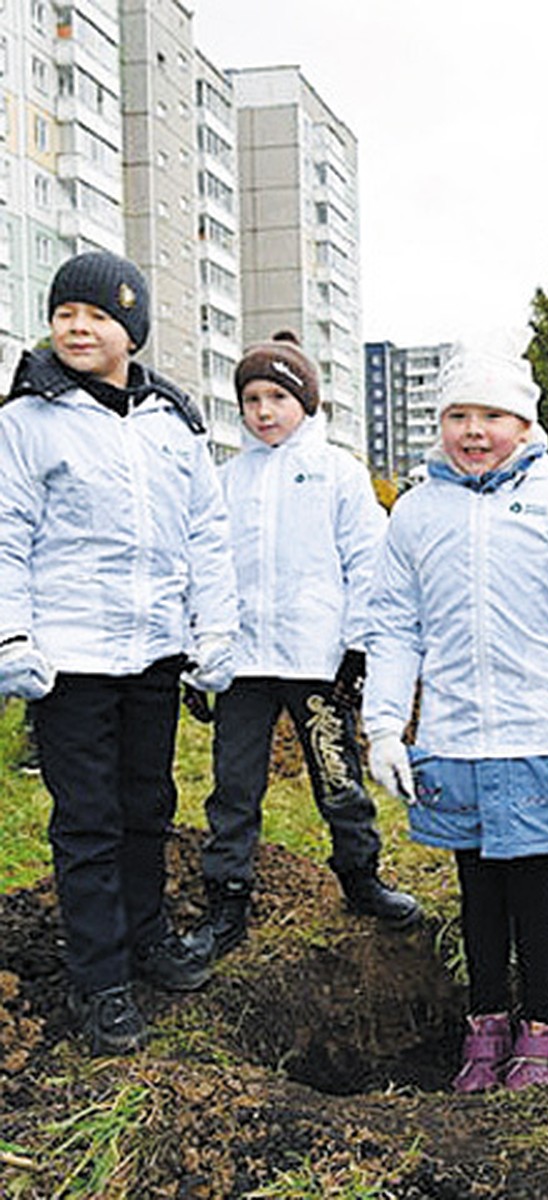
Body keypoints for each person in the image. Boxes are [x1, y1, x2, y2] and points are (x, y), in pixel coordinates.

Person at [363, 340, 548, 1092]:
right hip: (454, 738)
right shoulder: (416, 513)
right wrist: (385, 725)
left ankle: (541, 1028)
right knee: (476, 888)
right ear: (439, 423)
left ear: (525, 425)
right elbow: (394, 625)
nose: (474, 431)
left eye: (492, 415)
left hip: (541, 734)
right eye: (458, 414)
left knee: (534, 889)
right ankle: (485, 1026)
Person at [0, 251, 238, 1055]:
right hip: (69, 660)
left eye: (97, 315)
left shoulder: (173, 424)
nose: (77, 326)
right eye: (66, 311)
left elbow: (206, 534)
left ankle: (149, 939)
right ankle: (100, 979)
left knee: (149, 806)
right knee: (88, 821)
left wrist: (214, 629)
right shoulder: (26, 422)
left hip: (153, 654)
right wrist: (13, 636)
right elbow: (5, 539)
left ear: (130, 333)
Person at [196, 332, 421, 959]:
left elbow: (368, 564)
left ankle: (361, 877)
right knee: (233, 786)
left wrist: (358, 648)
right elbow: (205, 567)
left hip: (316, 661)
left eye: (277, 396)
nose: (263, 411)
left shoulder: (338, 475)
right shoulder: (225, 480)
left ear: (307, 402)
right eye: (251, 398)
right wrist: (201, 650)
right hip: (243, 664)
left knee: (336, 774)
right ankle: (228, 898)